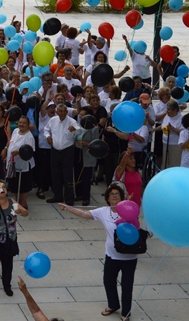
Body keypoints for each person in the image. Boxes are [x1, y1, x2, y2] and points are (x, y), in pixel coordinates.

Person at [58, 184, 139, 321]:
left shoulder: (128, 209)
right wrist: (68, 208)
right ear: (107, 198)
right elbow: (84, 214)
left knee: (127, 285)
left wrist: (129, 205)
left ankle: (126, 312)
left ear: (122, 197)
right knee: (108, 281)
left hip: (129, 257)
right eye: (111, 194)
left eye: (117, 194)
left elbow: (135, 227)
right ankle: (113, 305)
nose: (114, 196)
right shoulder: (104, 211)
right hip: (112, 255)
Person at [0, 179, 27, 297]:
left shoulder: (12, 201)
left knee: (8, 265)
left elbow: (25, 212)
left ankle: (7, 286)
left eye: (4, 187)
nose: (2, 189)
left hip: (9, 239)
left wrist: (20, 212)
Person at [45, 103, 77, 204]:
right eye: (60, 111)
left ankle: (69, 199)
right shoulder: (53, 120)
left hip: (67, 151)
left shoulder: (72, 121)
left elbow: (80, 130)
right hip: (55, 150)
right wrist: (47, 137)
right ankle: (57, 196)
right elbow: (46, 129)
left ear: (67, 112)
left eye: (64, 111)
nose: (62, 113)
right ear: (57, 112)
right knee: (55, 174)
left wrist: (75, 129)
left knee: (67, 175)